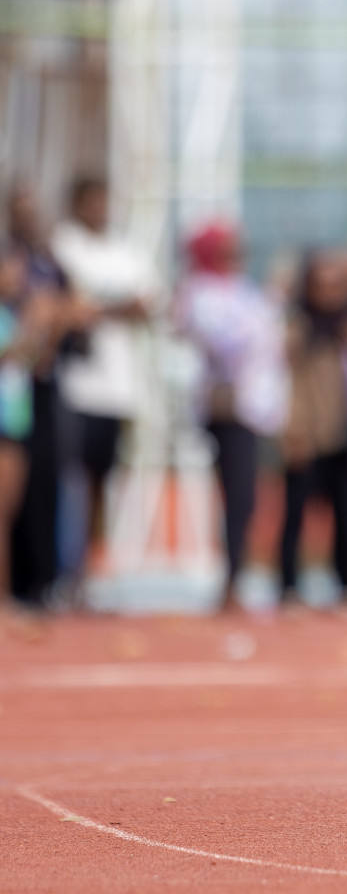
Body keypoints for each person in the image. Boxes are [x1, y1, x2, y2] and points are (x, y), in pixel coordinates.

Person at [174, 222, 288, 611]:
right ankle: (231, 577)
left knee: (248, 497)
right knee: (238, 494)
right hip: (228, 407)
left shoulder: (241, 289)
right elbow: (228, 343)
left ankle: (237, 573)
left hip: (257, 408)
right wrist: (270, 308)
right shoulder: (198, 293)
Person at [51, 176, 157, 571]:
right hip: (76, 386)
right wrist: (116, 307)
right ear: (77, 203)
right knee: (69, 480)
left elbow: (147, 305)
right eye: (92, 202)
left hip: (117, 388)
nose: (100, 209)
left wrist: (99, 308)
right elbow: (72, 307)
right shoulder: (64, 244)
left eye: (104, 202)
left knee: (102, 481)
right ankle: (66, 565)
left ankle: (91, 568)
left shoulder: (126, 249)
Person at [278, 249, 347, 604]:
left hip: (344, 433)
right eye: (322, 285)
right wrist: (295, 429)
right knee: (296, 514)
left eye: (337, 286)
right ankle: (289, 585)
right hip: (307, 435)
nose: (330, 293)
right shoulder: (299, 328)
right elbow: (289, 382)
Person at [6, 184, 69, 606]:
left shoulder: (49, 262)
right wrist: (35, 323)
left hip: (19, 415)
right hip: (10, 420)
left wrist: (50, 329)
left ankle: (24, 588)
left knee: (20, 503)